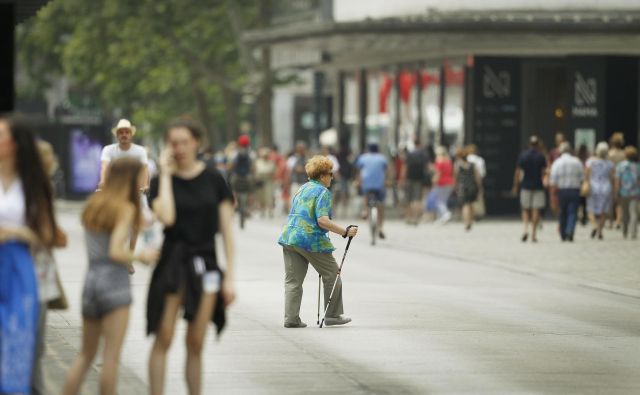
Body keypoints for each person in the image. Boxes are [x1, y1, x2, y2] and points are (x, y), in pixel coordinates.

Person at [147, 119, 236, 395]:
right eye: (174, 143)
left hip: (206, 263)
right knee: (164, 336)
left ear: (197, 142)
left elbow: (227, 231)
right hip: (173, 261)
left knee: (196, 341)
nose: (180, 148)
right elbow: (168, 217)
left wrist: (230, 276)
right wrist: (164, 174)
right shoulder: (159, 181)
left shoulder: (214, 180)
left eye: (185, 141)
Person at [62, 158, 158, 395]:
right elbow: (115, 250)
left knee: (85, 355)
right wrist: (140, 257)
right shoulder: (124, 208)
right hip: (114, 284)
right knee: (111, 358)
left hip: (91, 282)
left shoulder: (94, 204)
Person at [0, 114, 57, 394]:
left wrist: (15, 232)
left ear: (14, 143)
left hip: (20, 265)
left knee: (18, 342)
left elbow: (48, 235)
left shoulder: (34, 184)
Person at [278, 155, 358, 328]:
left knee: (293, 280)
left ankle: (291, 318)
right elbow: (322, 220)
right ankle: (333, 315)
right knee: (332, 274)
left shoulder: (302, 188)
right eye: (330, 173)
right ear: (322, 176)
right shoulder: (323, 192)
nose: (332, 177)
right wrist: (344, 232)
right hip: (309, 240)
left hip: (289, 237)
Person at [31, 140, 67, 395]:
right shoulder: (35, 189)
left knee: (36, 344)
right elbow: (48, 234)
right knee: (34, 343)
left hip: (40, 272)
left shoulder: (43, 188)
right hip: (31, 272)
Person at [513, 136, 547, 242]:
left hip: (525, 185)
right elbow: (544, 172)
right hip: (538, 186)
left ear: (529, 144)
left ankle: (525, 229)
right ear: (538, 145)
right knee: (536, 209)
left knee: (525, 209)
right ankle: (533, 234)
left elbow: (518, 171)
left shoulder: (523, 155)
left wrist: (515, 185)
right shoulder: (541, 156)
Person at [98, 118, 149, 191]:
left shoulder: (140, 150)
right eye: (121, 132)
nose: (124, 135)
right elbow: (104, 167)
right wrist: (103, 182)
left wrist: (145, 185)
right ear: (117, 135)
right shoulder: (108, 149)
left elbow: (144, 169)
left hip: (135, 189)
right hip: (114, 188)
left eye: (127, 132)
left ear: (131, 135)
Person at [550, 142, 584, 242]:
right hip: (574, 190)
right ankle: (570, 230)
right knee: (572, 212)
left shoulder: (557, 162)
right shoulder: (577, 161)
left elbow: (553, 179)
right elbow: (582, 177)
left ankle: (563, 233)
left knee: (562, 212)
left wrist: (553, 194)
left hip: (562, 190)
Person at [355, 143, 388, 238]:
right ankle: (381, 228)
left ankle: (365, 211)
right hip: (380, 185)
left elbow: (359, 171)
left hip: (367, 184)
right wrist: (388, 181)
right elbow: (387, 171)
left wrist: (358, 181)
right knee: (381, 205)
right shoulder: (382, 158)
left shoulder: (363, 157)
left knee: (366, 196)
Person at [585, 142, 614, 240]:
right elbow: (611, 177)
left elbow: (587, 175)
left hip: (594, 186)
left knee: (590, 209)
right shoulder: (609, 164)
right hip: (605, 187)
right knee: (603, 211)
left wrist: (586, 184)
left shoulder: (590, 162)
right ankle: (600, 231)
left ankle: (594, 226)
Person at [402, 141, 430, 225]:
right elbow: (427, 167)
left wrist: (402, 178)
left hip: (409, 178)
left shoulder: (409, 154)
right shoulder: (424, 154)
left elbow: (405, 167)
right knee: (417, 199)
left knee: (408, 199)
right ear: (420, 144)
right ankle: (416, 218)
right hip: (419, 179)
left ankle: (408, 217)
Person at [614, 146, 640, 239]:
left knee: (625, 213)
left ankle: (625, 232)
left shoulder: (620, 166)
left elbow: (618, 180)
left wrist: (616, 192)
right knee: (634, 213)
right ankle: (633, 233)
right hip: (635, 192)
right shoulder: (638, 166)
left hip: (623, 192)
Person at [454, 147, 482, 231]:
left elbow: (455, 177)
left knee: (465, 205)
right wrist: (479, 187)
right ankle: (471, 221)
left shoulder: (458, 165)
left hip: (462, 187)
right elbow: (477, 177)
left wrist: (455, 187)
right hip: (472, 186)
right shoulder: (472, 165)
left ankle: (466, 222)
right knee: (471, 204)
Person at [432, 146, 455, 224]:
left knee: (439, 201)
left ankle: (445, 214)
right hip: (450, 182)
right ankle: (442, 218)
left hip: (441, 183)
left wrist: (434, 180)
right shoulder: (449, 161)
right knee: (443, 200)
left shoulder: (440, 162)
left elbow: (438, 173)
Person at [608, 132, 626, 229]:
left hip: (611, 178)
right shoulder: (623, 154)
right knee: (619, 202)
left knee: (610, 202)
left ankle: (610, 222)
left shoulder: (609, 154)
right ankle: (618, 221)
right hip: (621, 179)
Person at [254, 147, 277, 218]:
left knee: (269, 196)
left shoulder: (271, 163)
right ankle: (262, 210)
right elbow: (255, 171)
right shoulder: (258, 162)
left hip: (268, 181)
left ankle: (270, 211)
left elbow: (274, 172)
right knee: (261, 196)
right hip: (260, 181)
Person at [466, 144, 486, 218]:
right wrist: (480, 184)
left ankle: (468, 215)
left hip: (465, 182)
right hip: (476, 181)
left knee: (466, 200)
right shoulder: (480, 160)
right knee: (476, 198)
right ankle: (475, 215)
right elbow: (482, 173)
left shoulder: (465, 159)